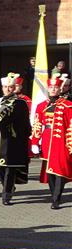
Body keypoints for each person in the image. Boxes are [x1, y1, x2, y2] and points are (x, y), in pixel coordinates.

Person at [30, 73, 72, 209]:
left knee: (59, 169)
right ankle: (54, 193)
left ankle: (56, 199)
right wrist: (35, 142)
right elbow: (37, 124)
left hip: (61, 140)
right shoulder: (41, 105)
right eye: (51, 87)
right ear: (48, 89)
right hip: (47, 138)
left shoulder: (68, 105)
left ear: (60, 89)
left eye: (56, 87)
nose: (53, 89)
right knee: (49, 171)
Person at [0, 73, 31, 205]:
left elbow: (25, 123)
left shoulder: (20, 103)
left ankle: (6, 195)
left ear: (14, 88)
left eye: (10, 87)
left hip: (12, 141)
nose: (7, 89)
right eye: (5, 87)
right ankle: (9, 187)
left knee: (9, 169)